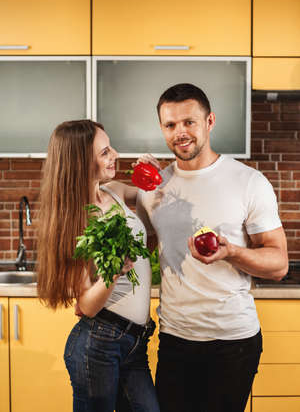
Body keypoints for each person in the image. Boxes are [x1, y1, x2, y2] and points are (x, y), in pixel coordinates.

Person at [136, 83, 289, 412]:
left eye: (189, 122)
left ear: (210, 121)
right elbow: (135, 247)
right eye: (170, 125)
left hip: (233, 342)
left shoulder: (248, 182)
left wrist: (231, 252)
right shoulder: (154, 189)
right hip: (175, 339)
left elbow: (279, 265)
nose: (180, 132)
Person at [37, 119, 160, 412]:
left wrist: (153, 174)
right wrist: (114, 272)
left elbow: (150, 196)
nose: (115, 154)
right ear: (81, 161)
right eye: (105, 152)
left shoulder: (114, 191)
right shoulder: (75, 220)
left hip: (135, 341)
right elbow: (87, 306)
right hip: (99, 344)